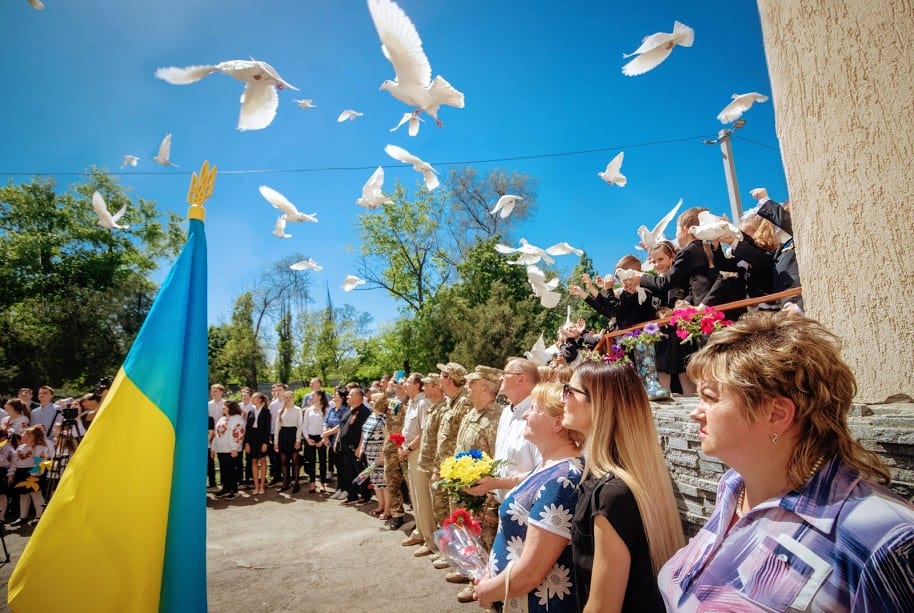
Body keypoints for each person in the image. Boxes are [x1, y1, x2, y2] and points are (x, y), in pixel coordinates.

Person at [659, 312, 914, 610]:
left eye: (710, 397)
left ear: (777, 414)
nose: (695, 412)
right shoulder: (735, 486)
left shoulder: (881, 538)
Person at [562, 361, 684, 612]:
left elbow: (602, 608)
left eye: (569, 391)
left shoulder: (612, 494)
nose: (563, 398)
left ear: (601, 405)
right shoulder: (629, 481)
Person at [475, 382, 585, 613]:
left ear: (557, 422)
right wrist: (490, 575)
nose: (525, 414)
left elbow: (531, 573)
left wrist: (486, 592)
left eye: (534, 408)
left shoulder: (562, 481)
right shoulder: (548, 465)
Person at [9, 425, 51, 527]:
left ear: (32, 436)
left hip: (32, 473)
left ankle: (39, 517)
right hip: (21, 472)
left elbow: (39, 462)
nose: (22, 435)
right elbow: (15, 462)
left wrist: (33, 475)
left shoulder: (40, 447)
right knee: (23, 495)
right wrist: (12, 473)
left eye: (25, 434)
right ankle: (23, 517)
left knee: (36, 494)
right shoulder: (20, 447)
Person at [360, 393, 389, 518]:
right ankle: (381, 505)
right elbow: (364, 432)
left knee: (384, 483)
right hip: (370, 455)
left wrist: (383, 455)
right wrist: (361, 447)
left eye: (372, 400)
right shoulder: (371, 416)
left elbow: (387, 437)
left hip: (380, 455)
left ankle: (388, 509)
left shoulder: (384, 418)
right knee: (376, 482)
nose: (370, 402)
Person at [212, 401, 246, 500]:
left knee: (232, 470)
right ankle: (226, 488)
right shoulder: (222, 419)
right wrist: (214, 448)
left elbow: (238, 434)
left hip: (231, 450)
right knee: (224, 470)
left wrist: (234, 448)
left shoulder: (238, 419)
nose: (223, 408)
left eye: (225, 407)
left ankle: (234, 490)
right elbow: (217, 433)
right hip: (221, 449)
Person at [273, 390, 303, 494]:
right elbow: (277, 427)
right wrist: (276, 442)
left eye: (290, 397)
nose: (288, 399)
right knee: (284, 461)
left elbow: (300, 426)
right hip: (283, 436)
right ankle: (285, 482)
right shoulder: (280, 411)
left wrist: (298, 440)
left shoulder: (297, 410)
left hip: (293, 435)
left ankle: (296, 483)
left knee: (295, 461)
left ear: (293, 398)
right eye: (286, 397)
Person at [244, 392, 272, 495]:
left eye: (254, 398)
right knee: (253, 461)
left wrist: (265, 442)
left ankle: (262, 486)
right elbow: (247, 428)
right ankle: (256, 486)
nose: (252, 399)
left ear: (260, 400)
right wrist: (246, 442)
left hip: (262, 439)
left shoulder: (266, 412)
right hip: (252, 439)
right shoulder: (250, 412)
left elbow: (267, 429)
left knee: (263, 461)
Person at [302, 389, 329, 493]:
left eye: (313, 396)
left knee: (322, 461)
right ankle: (312, 483)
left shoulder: (326, 409)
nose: (311, 398)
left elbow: (327, 426)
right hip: (310, 438)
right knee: (311, 462)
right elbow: (305, 426)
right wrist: (307, 439)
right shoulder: (309, 410)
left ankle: (323, 484)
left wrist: (323, 439)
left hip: (321, 437)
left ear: (319, 396)